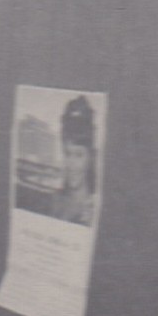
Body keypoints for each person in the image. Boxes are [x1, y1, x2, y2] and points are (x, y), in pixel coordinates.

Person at [50, 94, 96, 226]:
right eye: (67, 153)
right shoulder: (55, 199)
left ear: (90, 158)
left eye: (79, 155)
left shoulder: (93, 210)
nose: (71, 165)